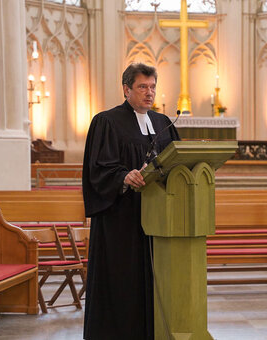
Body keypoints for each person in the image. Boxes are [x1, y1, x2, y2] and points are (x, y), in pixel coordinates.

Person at [82, 63, 180, 340]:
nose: (149, 93)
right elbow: (98, 169)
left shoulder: (163, 123)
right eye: (142, 87)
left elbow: (176, 162)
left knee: (154, 279)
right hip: (121, 219)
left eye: (152, 87)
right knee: (124, 281)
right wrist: (124, 177)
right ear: (126, 90)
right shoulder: (107, 121)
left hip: (158, 217)